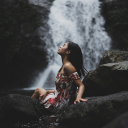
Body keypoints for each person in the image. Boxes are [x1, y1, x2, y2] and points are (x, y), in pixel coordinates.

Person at [31, 41, 88, 113]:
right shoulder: (64, 67)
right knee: (41, 91)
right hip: (61, 101)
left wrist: (78, 98)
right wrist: (47, 91)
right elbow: (62, 90)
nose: (60, 46)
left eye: (64, 45)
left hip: (59, 104)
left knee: (38, 90)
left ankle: (29, 112)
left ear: (68, 52)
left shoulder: (68, 67)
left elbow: (81, 85)